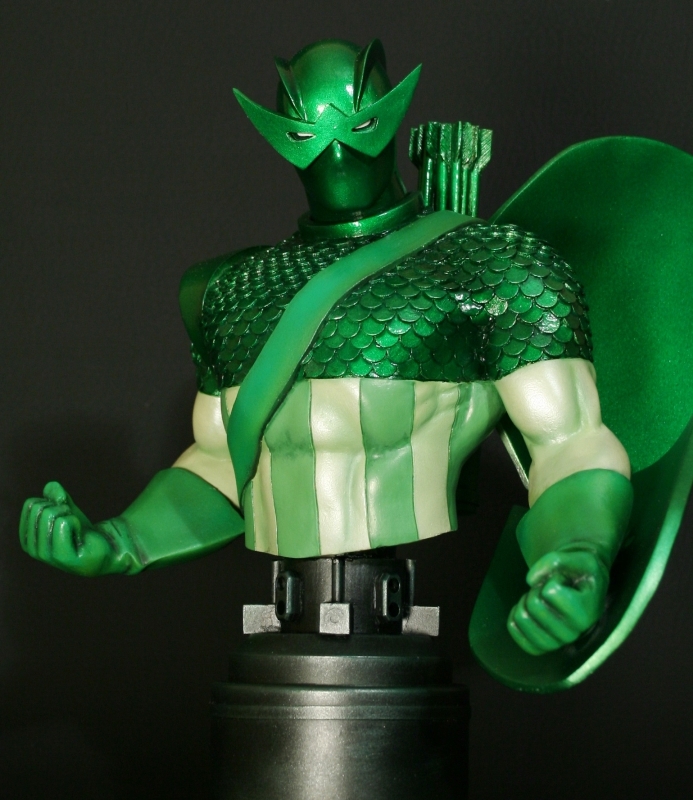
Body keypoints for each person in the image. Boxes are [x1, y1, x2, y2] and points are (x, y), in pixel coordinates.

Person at [19, 38, 632, 658]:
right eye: (305, 134)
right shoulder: (229, 292)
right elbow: (220, 464)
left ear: (393, 114)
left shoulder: (493, 269)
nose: (336, 150)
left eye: (360, 125)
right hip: (283, 641)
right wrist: (119, 542)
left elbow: (572, 445)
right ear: (277, 134)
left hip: (392, 646)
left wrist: (578, 557)